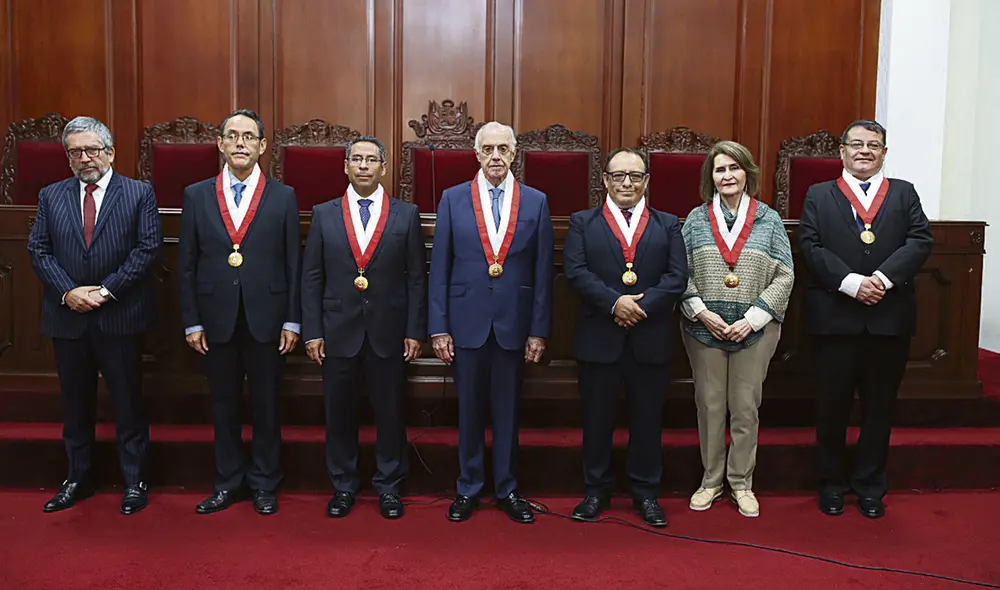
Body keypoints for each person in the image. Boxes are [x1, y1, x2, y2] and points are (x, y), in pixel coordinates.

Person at [27, 116, 162, 515]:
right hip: (67, 316)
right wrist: (69, 291)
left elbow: (147, 249)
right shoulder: (51, 195)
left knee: (128, 404)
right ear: (67, 157)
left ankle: (135, 481)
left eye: (91, 149)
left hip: (119, 316)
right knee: (75, 405)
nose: (84, 158)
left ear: (110, 152)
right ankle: (77, 479)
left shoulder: (139, 193)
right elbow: (38, 250)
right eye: (75, 152)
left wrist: (104, 291)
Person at [799, 119, 932, 518]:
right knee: (831, 407)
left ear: (884, 153)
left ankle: (870, 486)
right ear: (841, 151)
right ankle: (831, 484)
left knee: (879, 408)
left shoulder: (903, 193)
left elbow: (920, 240)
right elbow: (809, 245)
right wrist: (851, 282)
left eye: (873, 145)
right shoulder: (819, 195)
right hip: (835, 319)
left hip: (888, 319)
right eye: (856, 144)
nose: (864, 151)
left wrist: (882, 279)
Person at [428, 121, 553, 524]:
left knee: (507, 412)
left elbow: (542, 273)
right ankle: (467, 487)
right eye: (488, 149)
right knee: (468, 411)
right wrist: (438, 326)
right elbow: (440, 268)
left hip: (514, 324)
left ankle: (507, 487)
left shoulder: (535, 201)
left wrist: (539, 329)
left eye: (503, 149)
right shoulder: (452, 199)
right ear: (476, 154)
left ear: (514, 153)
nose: (496, 156)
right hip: (465, 323)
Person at [178, 109, 302, 516]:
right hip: (215, 320)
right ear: (220, 144)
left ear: (263, 146)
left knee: (267, 405)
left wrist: (292, 319)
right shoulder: (196, 194)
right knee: (224, 404)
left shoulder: (283, 197)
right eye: (232, 136)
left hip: (268, 317)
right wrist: (192, 319)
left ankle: (265, 482)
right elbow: (187, 264)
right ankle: (228, 481)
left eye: (248, 137)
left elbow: (293, 264)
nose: (240, 144)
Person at [301, 136, 426, 520]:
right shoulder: (323, 214)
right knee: (339, 413)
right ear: (345, 166)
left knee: (390, 413)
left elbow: (417, 278)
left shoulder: (406, 214)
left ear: (383, 168)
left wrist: (414, 330)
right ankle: (343, 485)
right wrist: (313, 331)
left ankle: (389, 486)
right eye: (357, 159)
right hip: (337, 330)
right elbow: (312, 277)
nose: (364, 166)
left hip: (389, 331)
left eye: (372, 160)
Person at [563, 147, 687, 528]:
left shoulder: (667, 224)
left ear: (646, 180)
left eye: (635, 176)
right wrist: (615, 303)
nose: (627, 183)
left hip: (649, 338)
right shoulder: (584, 222)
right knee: (597, 420)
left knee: (647, 420)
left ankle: (646, 493)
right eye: (619, 176)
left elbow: (677, 277)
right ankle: (596, 490)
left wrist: (641, 305)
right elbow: (576, 271)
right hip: (600, 337)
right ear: (605, 180)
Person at [679, 141, 794, 518]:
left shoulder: (769, 219)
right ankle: (711, 481)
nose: (727, 176)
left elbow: (785, 274)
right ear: (709, 177)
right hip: (704, 327)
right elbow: (680, 273)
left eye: (734, 168)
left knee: (745, 407)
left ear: (748, 173)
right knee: (710, 406)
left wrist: (754, 317)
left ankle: (741, 483)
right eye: (719, 169)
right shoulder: (696, 219)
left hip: (754, 329)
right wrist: (701, 312)